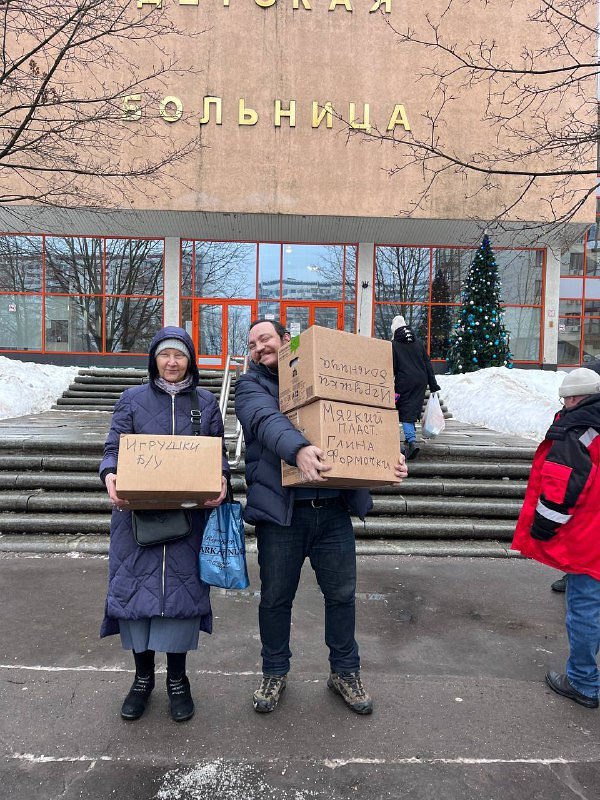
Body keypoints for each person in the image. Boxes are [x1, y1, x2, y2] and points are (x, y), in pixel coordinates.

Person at [234, 319, 408, 716]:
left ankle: (345, 672)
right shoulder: (250, 386)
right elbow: (265, 420)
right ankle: (274, 672)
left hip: (332, 513)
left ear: (286, 341)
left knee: (342, 597)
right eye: (252, 344)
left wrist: (387, 458)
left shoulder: (325, 376)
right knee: (275, 600)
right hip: (282, 517)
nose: (259, 348)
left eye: (265, 339)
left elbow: (363, 416)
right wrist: (297, 449)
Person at [99, 326, 229, 723]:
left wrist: (222, 480)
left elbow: (218, 454)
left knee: (180, 600)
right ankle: (142, 679)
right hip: (137, 520)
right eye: (165, 355)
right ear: (154, 359)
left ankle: (177, 679)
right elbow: (113, 448)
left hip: (188, 521)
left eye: (180, 355)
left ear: (190, 360)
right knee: (137, 597)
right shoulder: (132, 399)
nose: (172, 362)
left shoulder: (205, 403)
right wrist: (110, 475)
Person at [512, 367, 600, 709]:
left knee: (584, 609)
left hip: (589, 540)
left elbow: (562, 485)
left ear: (575, 398)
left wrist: (542, 528)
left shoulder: (578, 430)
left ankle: (583, 681)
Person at [390, 315, 441, 460]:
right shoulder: (418, 343)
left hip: (404, 381)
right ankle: (409, 439)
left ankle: (411, 442)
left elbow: (393, 366)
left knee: (405, 410)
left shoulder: (394, 344)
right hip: (420, 381)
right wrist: (433, 384)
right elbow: (427, 364)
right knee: (411, 408)